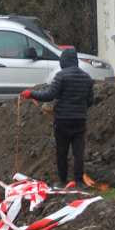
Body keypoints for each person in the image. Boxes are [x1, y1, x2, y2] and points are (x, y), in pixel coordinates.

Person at [20, 48, 94, 188]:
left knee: (62, 151)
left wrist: (31, 94)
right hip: (80, 120)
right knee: (78, 152)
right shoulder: (87, 78)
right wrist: (79, 108)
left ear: (63, 61)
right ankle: (78, 181)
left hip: (63, 120)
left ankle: (63, 181)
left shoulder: (61, 76)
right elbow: (90, 101)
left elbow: (49, 95)